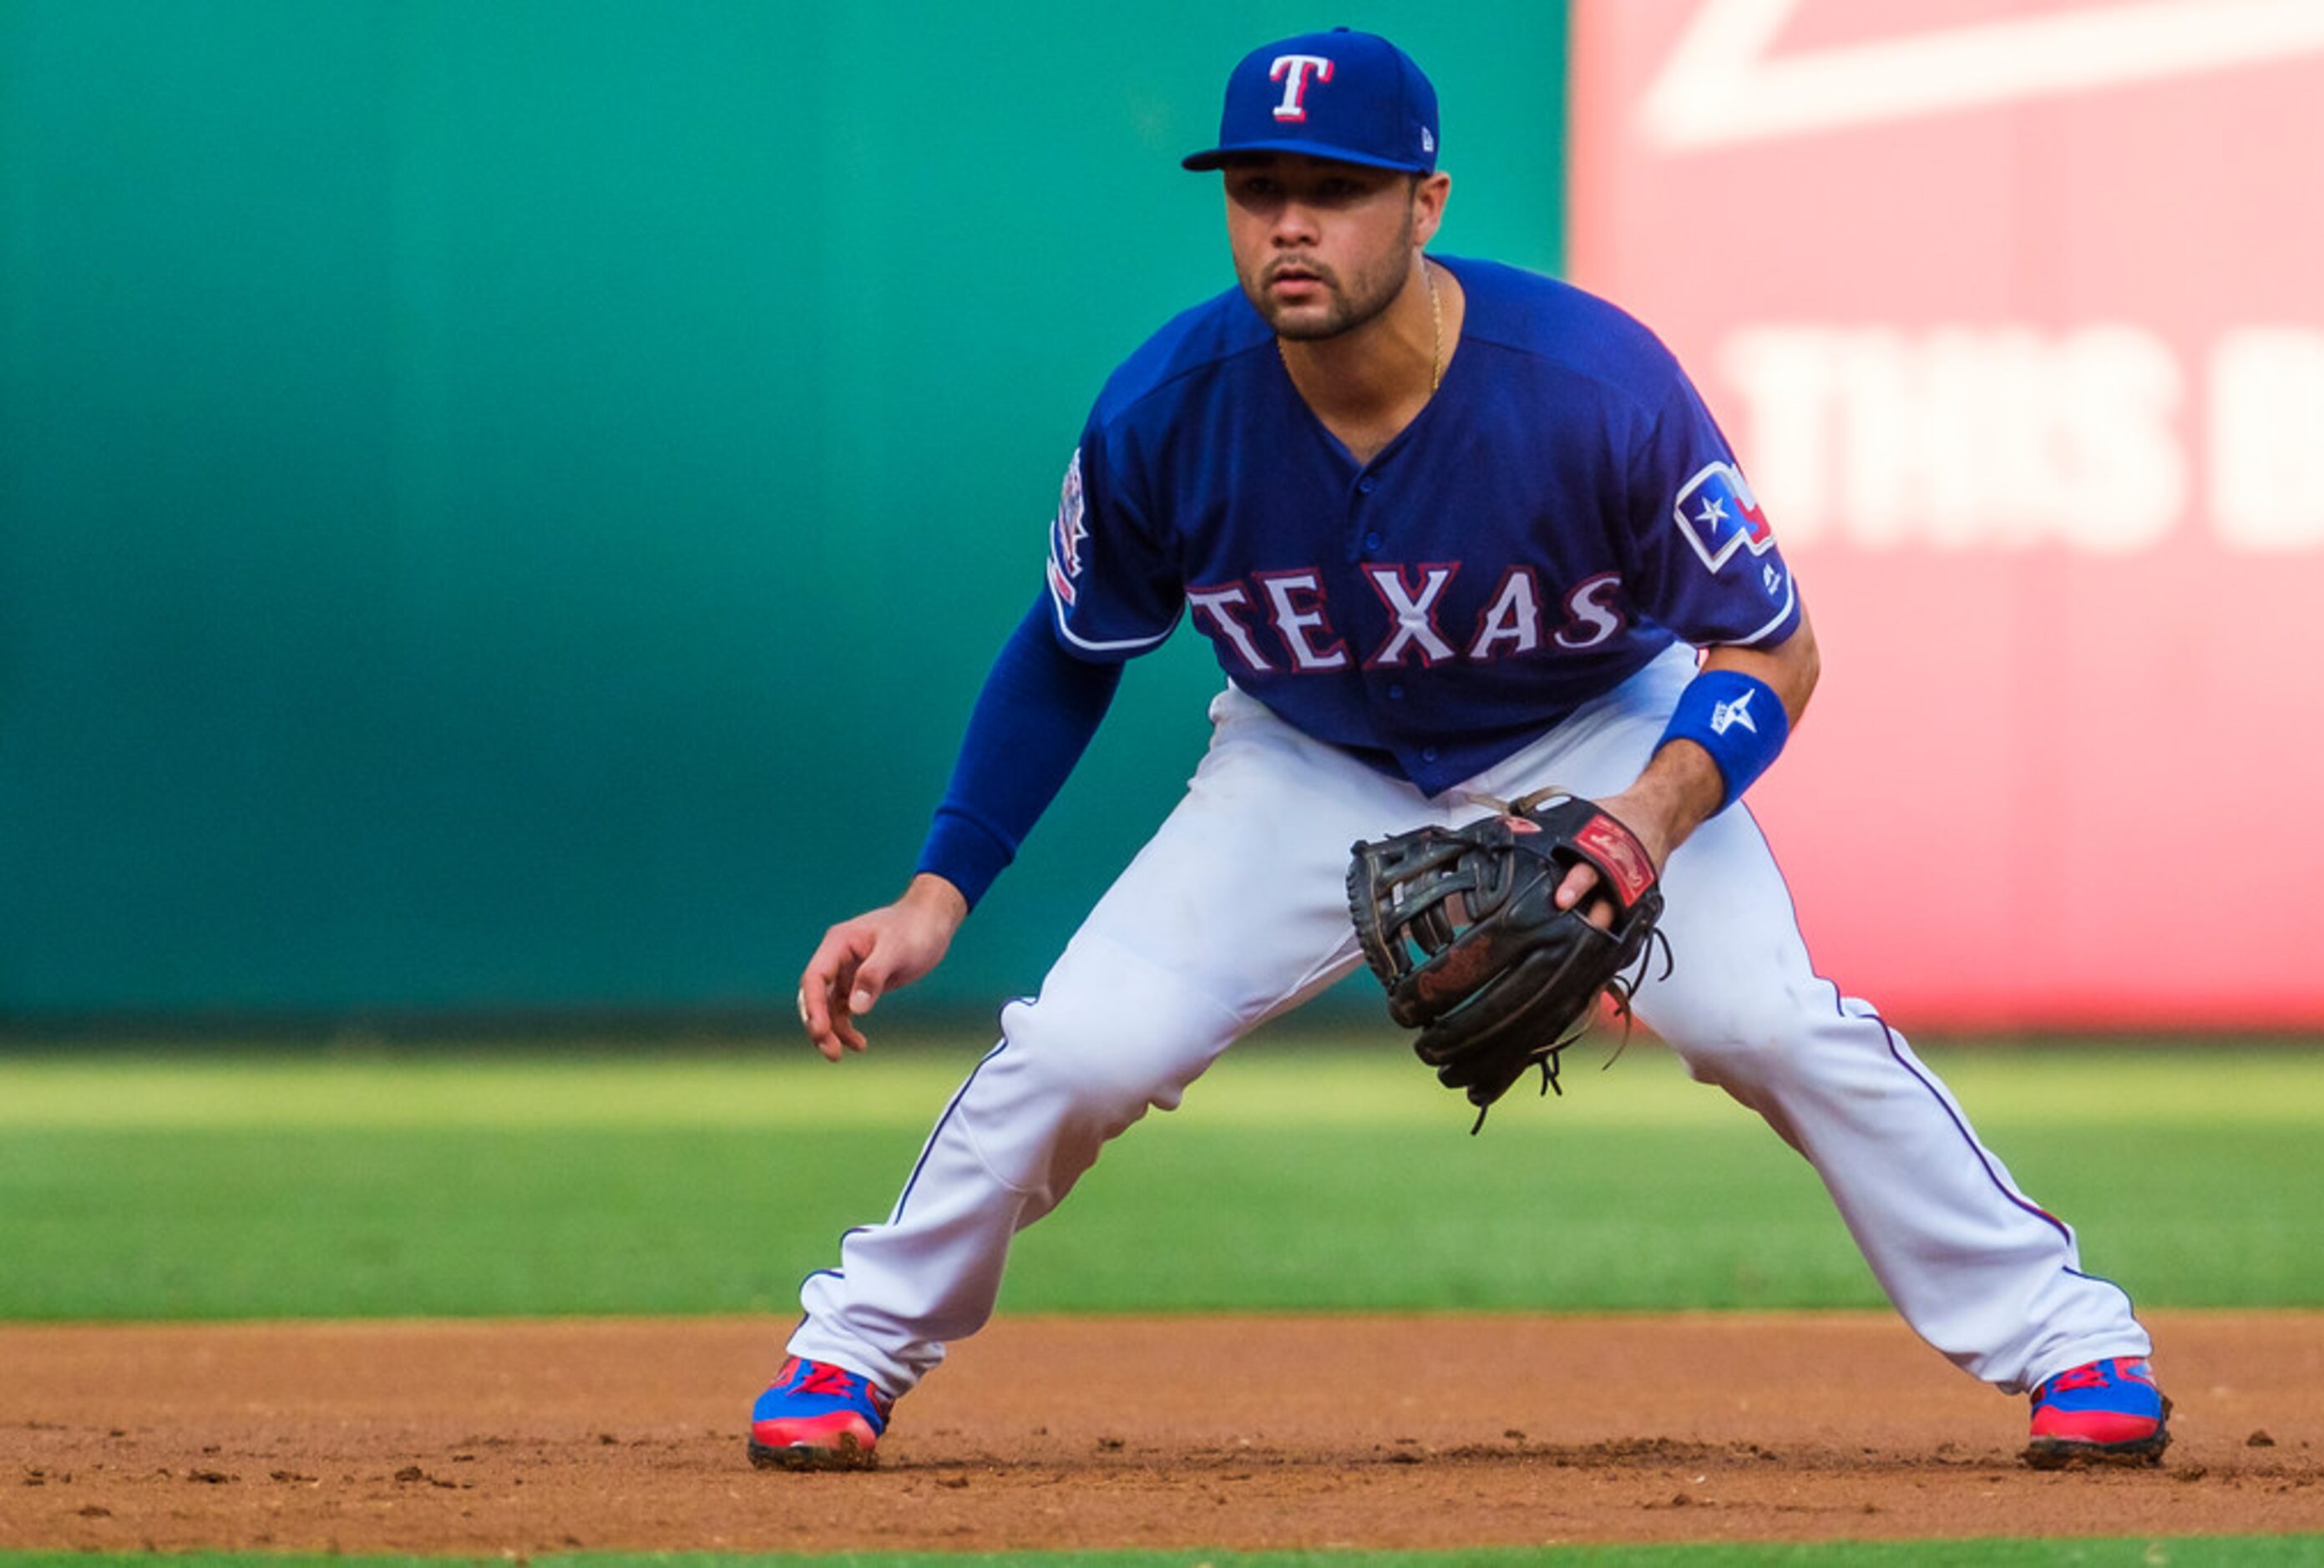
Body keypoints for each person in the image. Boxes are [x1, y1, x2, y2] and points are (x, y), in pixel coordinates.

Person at [749, 28, 2168, 1473]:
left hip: (1594, 730)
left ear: (1427, 201)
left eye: (1336, 186)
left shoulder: (1591, 388)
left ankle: (2071, 1339)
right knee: (1080, 1050)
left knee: (1765, 1022)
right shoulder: (1165, 414)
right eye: (1256, 186)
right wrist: (940, 888)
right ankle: (852, 1345)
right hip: (1306, 758)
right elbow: (1068, 651)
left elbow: (1776, 649)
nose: (1290, 222)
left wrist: (1647, 817)